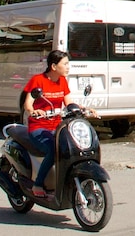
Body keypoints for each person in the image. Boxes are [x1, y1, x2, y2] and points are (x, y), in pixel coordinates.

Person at [23, 49, 97, 198]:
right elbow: (28, 103)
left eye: (68, 63)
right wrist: (34, 111)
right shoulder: (38, 80)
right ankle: (38, 183)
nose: (68, 67)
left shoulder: (62, 81)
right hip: (39, 128)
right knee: (54, 150)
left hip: (57, 127)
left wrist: (84, 109)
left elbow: (69, 103)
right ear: (54, 66)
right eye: (65, 64)